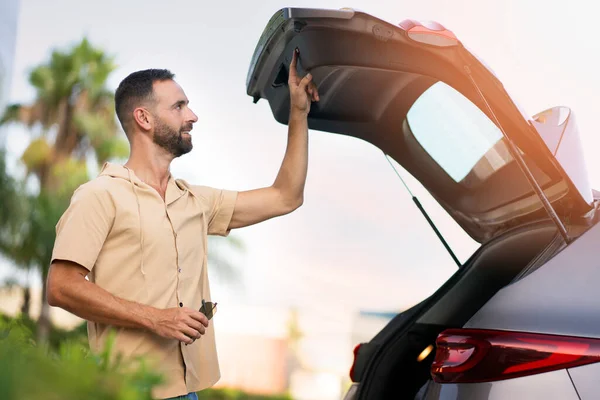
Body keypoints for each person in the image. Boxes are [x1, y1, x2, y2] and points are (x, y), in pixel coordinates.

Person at [46, 48, 319, 400]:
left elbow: (286, 196)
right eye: (178, 107)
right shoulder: (100, 195)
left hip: (187, 391)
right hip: (126, 391)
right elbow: (62, 286)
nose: (192, 116)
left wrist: (299, 113)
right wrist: (155, 318)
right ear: (143, 118)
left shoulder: (194, 201)